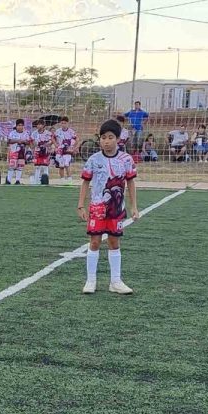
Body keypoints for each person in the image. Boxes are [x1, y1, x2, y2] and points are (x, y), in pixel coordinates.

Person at [78, 118, 139, 296]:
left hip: (117, 209)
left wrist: (134, 206)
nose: (106, 141)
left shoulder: (126, 159)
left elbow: (131, 182)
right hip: (97, 208)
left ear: (118, 139)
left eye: (110, 137)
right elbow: (85, 182)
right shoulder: (93, 159)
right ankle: (90, 281)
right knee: (95, 242)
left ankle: (116, 281)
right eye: (103, 137)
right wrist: (81, 205)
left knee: (114, 242)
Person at [4, 118, 27, 185]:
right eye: (19, 125)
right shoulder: (12, 133)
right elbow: (9, 141)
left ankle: (17, 181)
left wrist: (24, 141)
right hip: (13, 152)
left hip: (22, 152)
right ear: (16, 126)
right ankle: (8, 181)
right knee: (12, 166)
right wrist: (17, 141)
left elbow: (28, 141)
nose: (20, 127)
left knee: (20, 166)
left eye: (21, 125)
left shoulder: (26, 133)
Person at [30, 118, 53, 184]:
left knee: (45, 166)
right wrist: (33, 147)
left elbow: (52, 141)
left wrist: (47, 145)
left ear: (43, 125)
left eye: (40, 124)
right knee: (37, 166)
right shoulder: (34, 133)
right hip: (37, 151)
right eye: (37, 124)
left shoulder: (48, 133)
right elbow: (31, 141)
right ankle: (36, 180)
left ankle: (46, 180)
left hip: (45, 151)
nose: (38, 126)